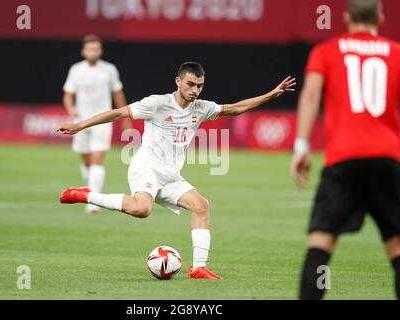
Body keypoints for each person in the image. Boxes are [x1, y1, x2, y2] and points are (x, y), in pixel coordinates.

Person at [59, 61, 296, 279]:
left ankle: (199, 267)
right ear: (178, 81)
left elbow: (235, 108)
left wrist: (271, 95)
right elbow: (118, 113)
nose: (195, 90)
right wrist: (79, 125)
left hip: (170, 175)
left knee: (201, 206)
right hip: (147, 167)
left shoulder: (201, 107)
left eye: (200, 86)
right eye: (190, 84)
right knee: (142, 209)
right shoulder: (157, 103)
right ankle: (85, 195)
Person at [290, 0, 400, 299]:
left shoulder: (326, 51)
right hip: (387, 158)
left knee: (321, 242)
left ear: (346, 17)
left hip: (343, 159)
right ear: (380, 17)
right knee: (397, 247)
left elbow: (311, 94)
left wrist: (301, 147)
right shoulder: (396, 53)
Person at [63, 34, 131, 213]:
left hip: (102, 120)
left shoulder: (109, 70)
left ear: (100, 51)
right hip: (80, 122)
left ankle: (93, 202)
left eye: (96, 49)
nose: (93, 52)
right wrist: (71, 109)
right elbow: (68, 93)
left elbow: (118, 94)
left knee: (97, 158)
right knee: (86, 160)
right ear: (83, 51)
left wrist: (125, 117)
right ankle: (90, 185)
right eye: (89, 49)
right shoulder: (76, 70)